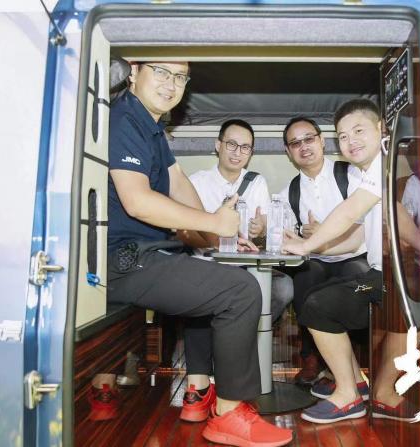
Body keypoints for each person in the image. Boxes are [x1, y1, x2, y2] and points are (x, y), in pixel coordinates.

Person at [107, 59, 293, 446]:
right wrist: (215, 224)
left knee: (224, 287)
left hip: (151, 252)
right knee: (241, 290)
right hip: (127, 258)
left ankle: (203, 393)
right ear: (133, 71)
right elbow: (137, 202)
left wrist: (218, 236)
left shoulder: (152, 128)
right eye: (161, 72)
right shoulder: (123, 119)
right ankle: (228, 413)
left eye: (180, 77)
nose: (171, 83)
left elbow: (177, 184)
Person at [282, 99, 420, 424]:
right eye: (343, 136)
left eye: (358, 131)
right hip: (385, 276)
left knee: (319, 305)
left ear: (380, 129)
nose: (351, 141)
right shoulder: (372, 171)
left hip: (387, 278)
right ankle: (370, 390)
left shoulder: (378, 166)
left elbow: (349, 212)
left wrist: (307, 243)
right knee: (319, 297)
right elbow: (381, 219)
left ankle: (353, 394)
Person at [278, 116, 369, 386]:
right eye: (295, 143)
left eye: (309, 139)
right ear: (288, 152)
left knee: (356, 277)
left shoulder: (350, 174)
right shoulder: (289, 192)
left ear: (322, 141)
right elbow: (285, 235)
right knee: (305, 276)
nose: (304, 146)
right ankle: (312, 357)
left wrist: (321, 235)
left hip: (355, 256)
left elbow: (361, 230)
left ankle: (347, 363)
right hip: (315, 260)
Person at [184, 119, 293, 323]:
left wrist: (261, 229)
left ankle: (246, 335)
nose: (237, 152)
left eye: (245, 147)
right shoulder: (197, 182)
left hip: (246, 266)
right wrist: (215, 240)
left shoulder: (256, 182)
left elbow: (265, 226)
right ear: (218, 145)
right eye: (231, 144)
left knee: (283, 288)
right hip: (207, 264)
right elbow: (184, 233)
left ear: (251, 153)